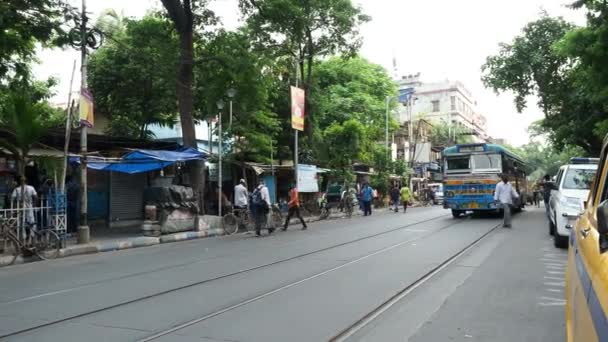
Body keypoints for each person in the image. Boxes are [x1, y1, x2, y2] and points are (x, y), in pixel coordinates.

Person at [11, 176, 38, 242]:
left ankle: (26, 239)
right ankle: (31, 238)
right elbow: (36, 197)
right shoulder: (30, 188)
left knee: (23, 223)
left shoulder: (17, 189)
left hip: (22, 208)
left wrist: (15, 206)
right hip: (28, 208)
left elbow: (12, 199)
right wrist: (34, 205)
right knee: (30, 223)